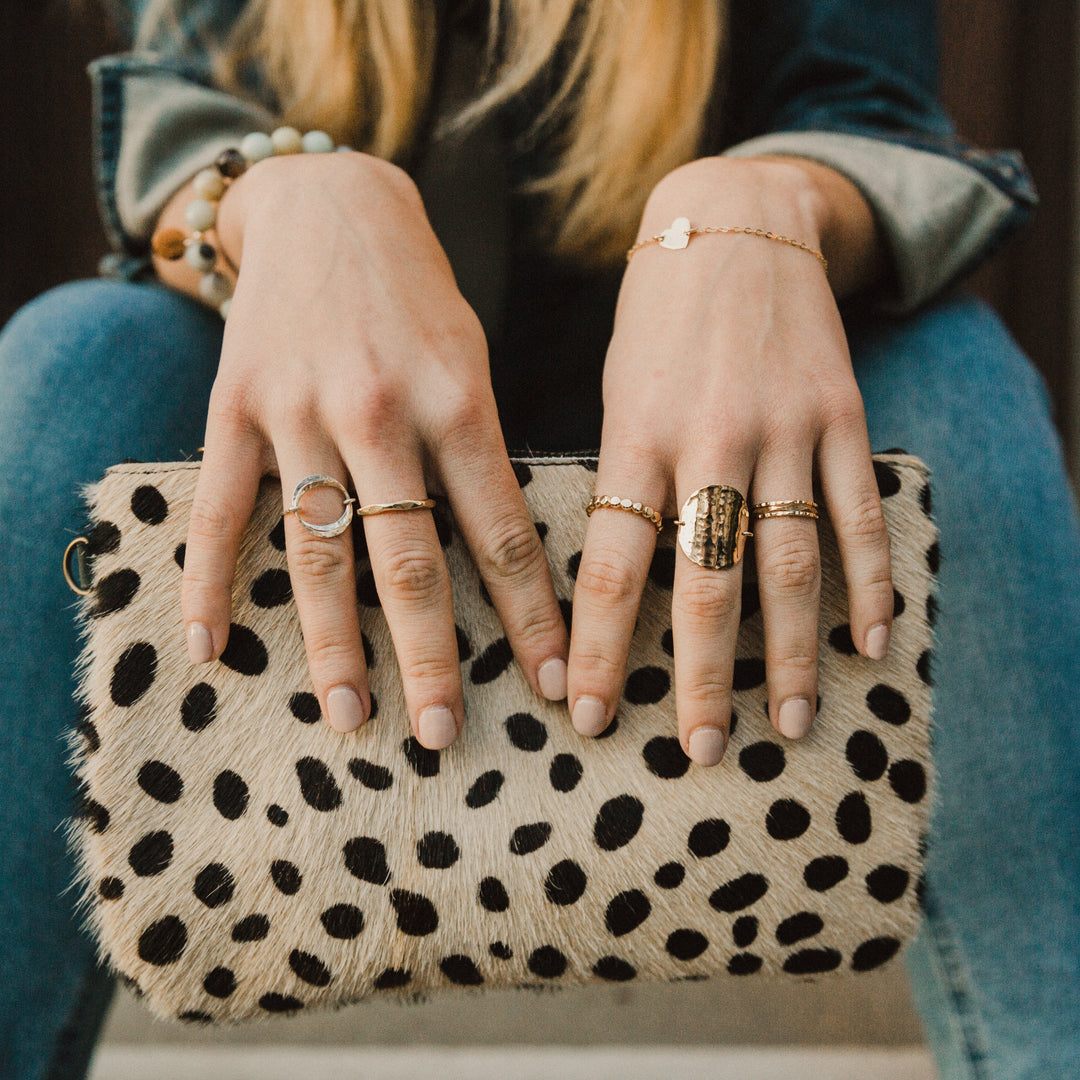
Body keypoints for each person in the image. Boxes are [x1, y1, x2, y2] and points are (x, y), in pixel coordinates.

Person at [1, 0, 1077, 1076]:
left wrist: (759, 204)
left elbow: (866, 108)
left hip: (726, 412)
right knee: (73, 363)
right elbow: (181, 122)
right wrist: (285, 201)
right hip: (323, 416)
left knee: (956, 385)